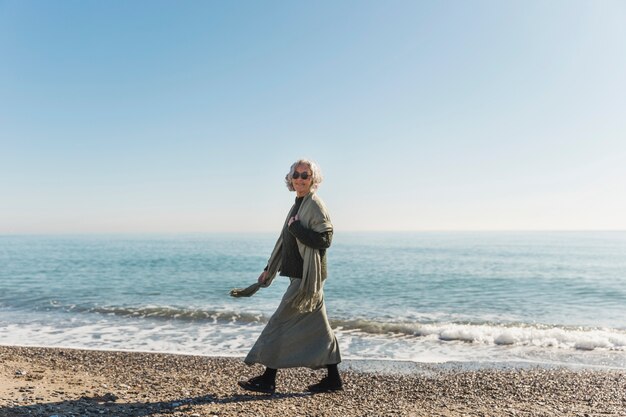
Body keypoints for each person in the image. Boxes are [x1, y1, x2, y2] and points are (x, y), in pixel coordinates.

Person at [230, 158, 342, 394]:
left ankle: (268, 379)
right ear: (290, 179)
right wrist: (268, 268)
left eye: (306, 175)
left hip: (307, 279)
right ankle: (333, 379)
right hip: (303, 276)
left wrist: (297, 229)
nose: (300, 179)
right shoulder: (299, 203)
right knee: (321, 330)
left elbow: (326, 240)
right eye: (297, 175)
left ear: (313, 179)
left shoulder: (313, 204)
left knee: (279, 323)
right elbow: (287, 241)